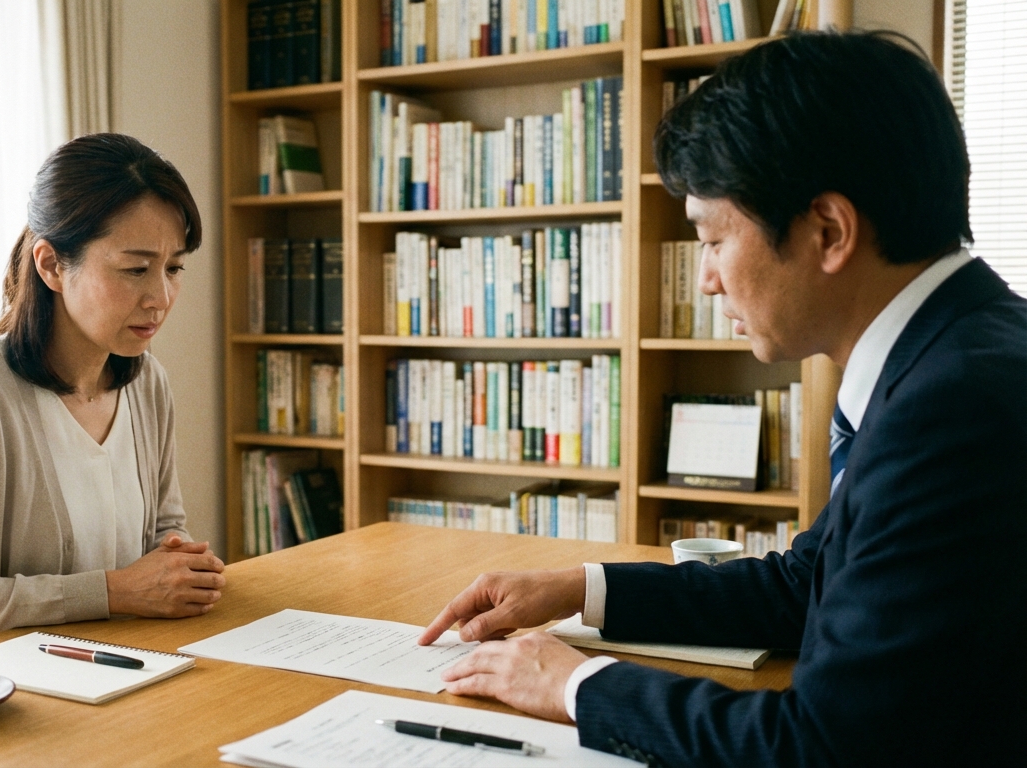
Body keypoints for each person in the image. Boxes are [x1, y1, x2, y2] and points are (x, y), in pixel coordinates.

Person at [418, 32, 1027, 767]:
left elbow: (821, 748)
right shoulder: (958, 348)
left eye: (711, 239)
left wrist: (576, 683)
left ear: (828, 231)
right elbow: (815, 584)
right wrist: (581, 588)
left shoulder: (954, 407)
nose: (706, 280)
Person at [0, 133, 225, 641]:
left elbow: (164, 529)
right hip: (0, 694)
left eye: (174, 268)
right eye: (135, 269)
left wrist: (178, 562)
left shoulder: (147, 383)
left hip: (119, 664)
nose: (160, 297)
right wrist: (115, 592)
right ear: (50, 264)